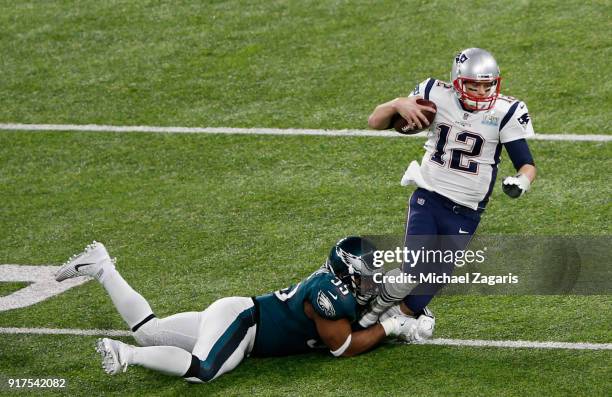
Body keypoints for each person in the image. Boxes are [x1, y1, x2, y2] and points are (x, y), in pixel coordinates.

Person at [55, 237, 418, 383]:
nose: (369, 284)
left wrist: (403, 311)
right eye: (363, 277)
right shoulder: (328, 294)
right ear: (344, 274)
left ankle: (102, 266)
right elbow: (344, 347)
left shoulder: (340, 287)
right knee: (203, 370)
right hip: (245, 325)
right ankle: (127, 355)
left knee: (149, 329)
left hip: (239, 314)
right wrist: (391, 327)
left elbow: (377, 302)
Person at [359, 48, 537, 328]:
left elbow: (526, 163)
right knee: (414, 271)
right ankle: (370, 309)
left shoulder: (506, 111)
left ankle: (392, 321)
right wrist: (397, 103)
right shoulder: (433, 94)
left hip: (467, 210)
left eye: (487, 85)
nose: (481, 91)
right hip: (429, 197)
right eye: (473, 85)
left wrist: (521, 182)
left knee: (436, 277)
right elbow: (374, 122)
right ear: (457, 82)